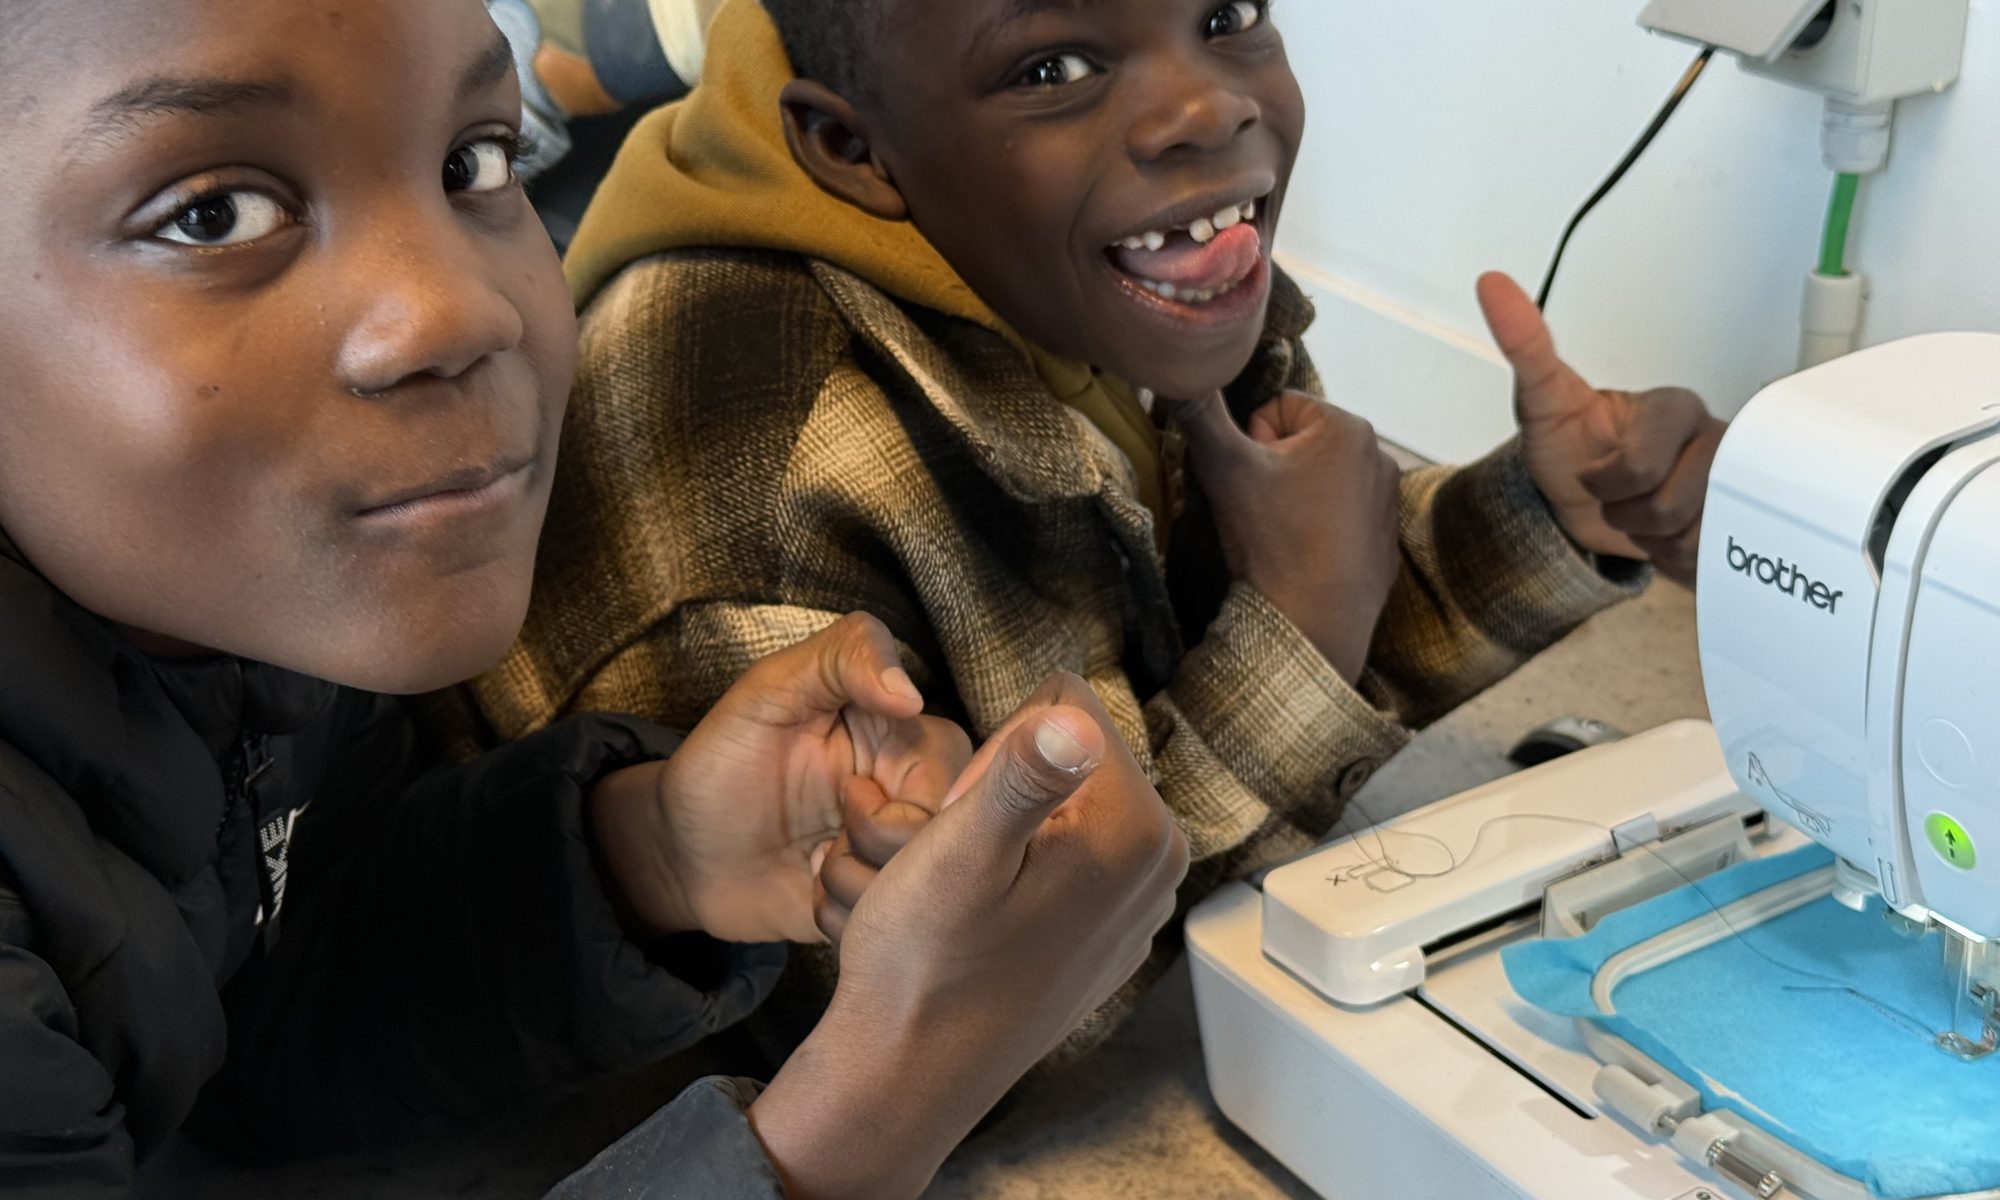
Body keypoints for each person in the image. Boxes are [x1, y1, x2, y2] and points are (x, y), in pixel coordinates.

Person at [0, 3, 1186, 1197]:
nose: (466, 311)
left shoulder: (249, 622)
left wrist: (647, 856)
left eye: (475, 161)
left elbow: (254, 1026)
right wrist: (873, 1105)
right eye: (214, 214)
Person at [467, 0, 1727, 1058]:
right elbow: (893, 1038)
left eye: (1224, 15)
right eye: (1051, 67)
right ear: (851, 149)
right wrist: (1294, 637)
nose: (1209, 107)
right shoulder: (764, 482)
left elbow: (1264, 594)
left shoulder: (1095, 266)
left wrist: (1546, 513)